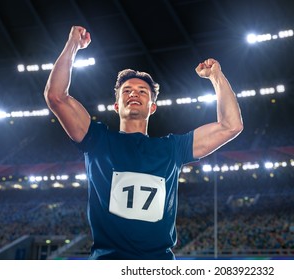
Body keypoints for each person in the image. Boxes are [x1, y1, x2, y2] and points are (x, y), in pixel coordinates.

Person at [44, 26, 243, 260]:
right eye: (126, 90)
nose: (134, 94)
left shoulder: (172, 150)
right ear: (117, 106)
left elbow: (231, 126)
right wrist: (73, 45)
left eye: (142, 91)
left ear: (152, 107)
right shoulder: (96, 140)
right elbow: (56, 96)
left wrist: (216, 77)